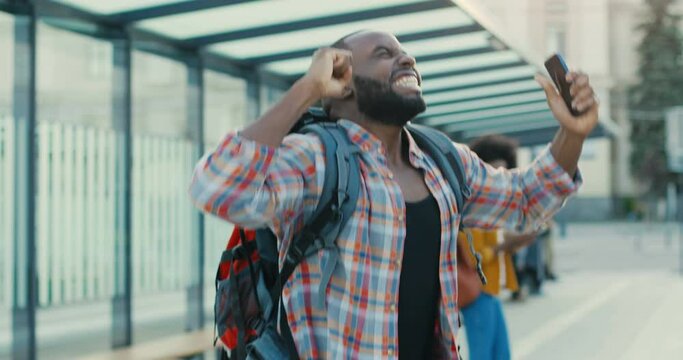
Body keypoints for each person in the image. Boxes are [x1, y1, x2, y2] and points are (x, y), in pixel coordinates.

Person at [189, 30, 598, 359]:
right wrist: (307, 90)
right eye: (384, 54)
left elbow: (526, 200)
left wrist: (573, 134)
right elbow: (216, 187)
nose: (407, 60)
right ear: (342, 85)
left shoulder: (443, 162)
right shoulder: (316, 159)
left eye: (406, 54)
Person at [456, 134, 537, 360]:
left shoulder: (490, 211)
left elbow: (499, 246)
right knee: (484, 355)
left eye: (504, 172)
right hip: (479, 293)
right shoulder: (470, 212)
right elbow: (473, 260)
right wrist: (504, 246)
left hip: (492, 292)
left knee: (501, 355)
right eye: (495, 171)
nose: (500, 180)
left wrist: (519, 240)